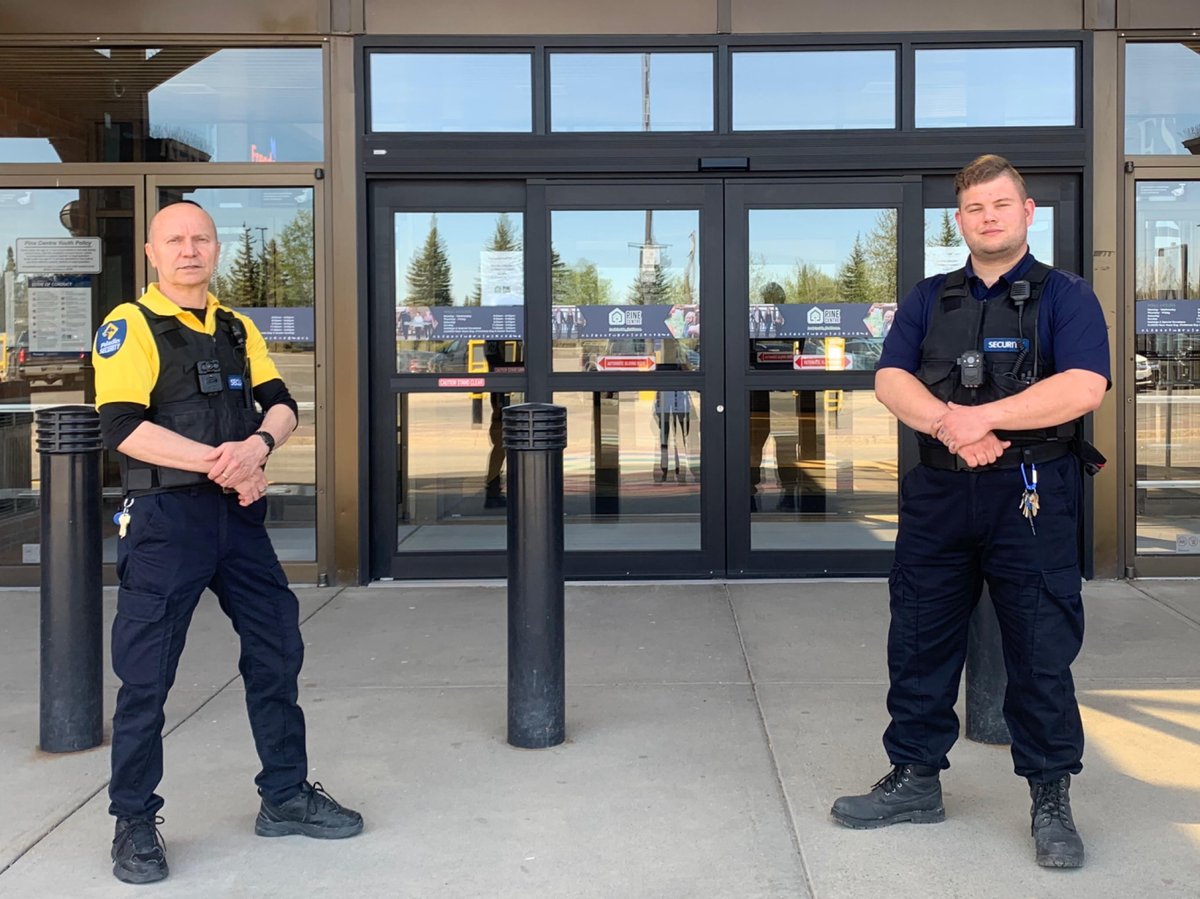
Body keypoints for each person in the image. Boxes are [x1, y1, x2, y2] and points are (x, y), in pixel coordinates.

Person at [830, 156, 1109, 869]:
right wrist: (954, 426)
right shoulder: (929, 298)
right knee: (919, 638)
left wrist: (986, 423)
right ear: (959, 221)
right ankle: (915, 778)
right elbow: (890, 377)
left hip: (1031, 490)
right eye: (974, 208)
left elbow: (1082, 387)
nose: (988, 217)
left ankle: (1050, 798)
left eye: (1000, 204)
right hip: (940, 492)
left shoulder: (1066, 296)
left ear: (1026, 212)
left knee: (1041, 649)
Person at [92, 201, 362, 885]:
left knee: (277, 648)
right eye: (175, 240)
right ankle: (132, 821)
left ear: (217, 250)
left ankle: (285, 795)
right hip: (166, 521)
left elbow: (283, 404)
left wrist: (259, 444)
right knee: (147, 675)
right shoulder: (130, 325)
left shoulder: (239, 328)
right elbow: (121, 426)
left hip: (237, 519)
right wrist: (224, 461)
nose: (189, 250)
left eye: (201, 239)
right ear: (152, 253)